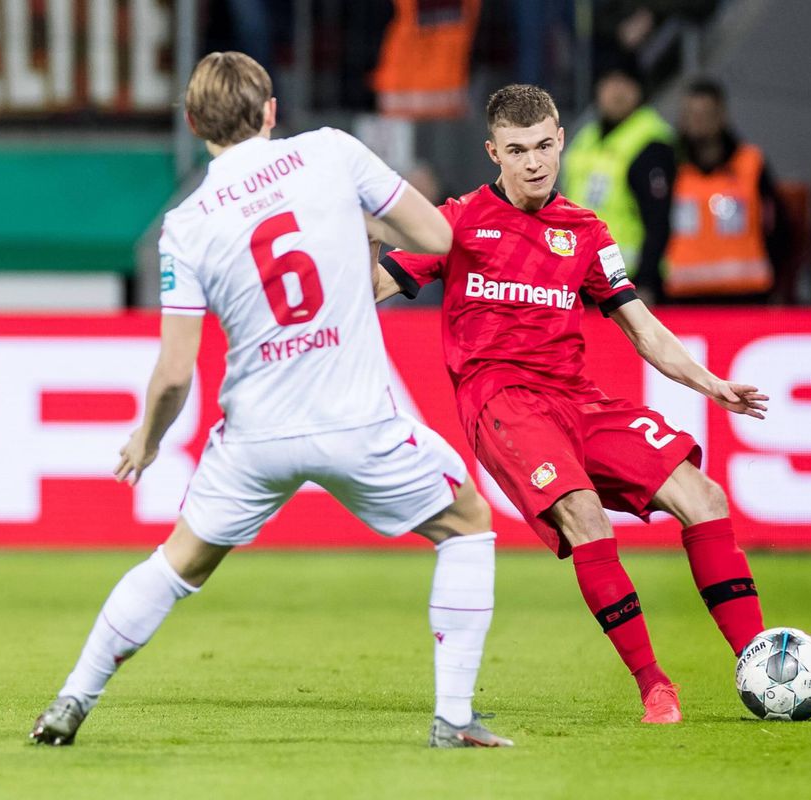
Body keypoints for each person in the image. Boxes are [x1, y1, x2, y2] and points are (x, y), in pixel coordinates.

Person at [29, 52, 512, 749]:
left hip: (256, 435)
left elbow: (173, 371)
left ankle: (73, 698)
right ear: (271, 111)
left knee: (176, 563)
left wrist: (148, 438)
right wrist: (364, 230)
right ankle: (454, 719)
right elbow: (439, 238)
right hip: (357, 421)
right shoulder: (332, 153)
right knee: (468, 524)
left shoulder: (186, 222)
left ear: (195, 123)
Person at [370, 84, 811, 724]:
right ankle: (655, 685)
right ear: (493, 151)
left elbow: (641, 326)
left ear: (561, 141)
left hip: (578, 399)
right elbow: (367, 286)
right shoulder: (457, 221)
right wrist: (353, 249)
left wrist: (710, 382)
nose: (534, 163)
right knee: (583, 515)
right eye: (517, 150)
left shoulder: (585, 230)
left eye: (544, 145)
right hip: (503, 401)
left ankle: (767, 670)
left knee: (704, 498)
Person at [562, 56, 675, 305]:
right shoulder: (587, 138)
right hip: (582, 276)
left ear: (639, 91)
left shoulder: (650, 142)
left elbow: (658, 219)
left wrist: (646, 280)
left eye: (626, 84)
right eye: (610, 83)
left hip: (627, 281)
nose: (617, 92)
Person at [667, 78, 789, 303]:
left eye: (706, 114)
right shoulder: (669, 168)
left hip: (745, 296)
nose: (699, 122)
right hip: (683, 298)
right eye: (692, 115)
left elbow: (777, 229)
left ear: (722, 115)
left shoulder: (751, 164)